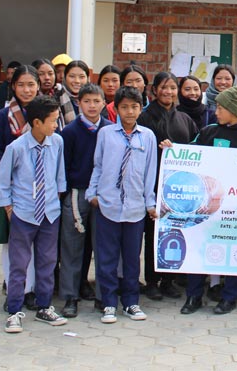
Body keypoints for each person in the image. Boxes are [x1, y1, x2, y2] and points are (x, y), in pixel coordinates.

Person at [182, 86, 237, 316]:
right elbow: (190, 154)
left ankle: (230, 297)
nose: (216, 111)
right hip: (206, 203)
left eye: (221, 107)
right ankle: (193, 295)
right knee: (198, 247)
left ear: (234, 110)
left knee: (233, 250)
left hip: (235, 207)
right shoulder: (209, 132)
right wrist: (172, 150)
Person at [0, 96, 68, 333]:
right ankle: (14, 310)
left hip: (49, 213)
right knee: (19, 264)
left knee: (47, 262)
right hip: (24, 214)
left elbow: (59, 174)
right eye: (53, 120)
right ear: (37, 122)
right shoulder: (16, 148)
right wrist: (8, 207)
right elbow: (1, 180)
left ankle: (44, 306)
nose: (56, 125)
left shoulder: (56, 142)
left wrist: (56, 197)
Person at [87, 86, 158, 324]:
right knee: (106, 257)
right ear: (116, 109)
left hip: (135, 208)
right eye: (125, 107)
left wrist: (150, 202)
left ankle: (131, 302)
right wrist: (92, 193)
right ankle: (108, 302)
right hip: (108, 204)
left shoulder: (147, 136)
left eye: (135, 107)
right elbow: (98, 165)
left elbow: (150, 172)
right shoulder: (106, 134)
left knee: (131, 257)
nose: (130, 111)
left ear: (141, 108)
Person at [0, 65, 40, 306]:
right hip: (12, 188)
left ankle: (31, 290)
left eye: (31, 85)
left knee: (36, 242)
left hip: (39, 188)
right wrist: (14, 174)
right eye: (21, 85)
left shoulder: (44, 114)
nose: (26, 90)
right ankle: (14, 288)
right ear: (13, 87)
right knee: (12, 241)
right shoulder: (1, 117)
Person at [139, 72, 197, 301]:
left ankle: (169, 280)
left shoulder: (184, 118)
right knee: (153, 233)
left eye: (172, 87)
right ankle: (151, 280)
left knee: (175, 231)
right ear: (154, 90)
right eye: (164, 87)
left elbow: (195, 146)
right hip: (154, 183)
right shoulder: (145, 118)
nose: (168, 92)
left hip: (179, 187)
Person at [58, 83, 112, 318]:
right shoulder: (69, 132)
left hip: (103, 195)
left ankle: (103, 296)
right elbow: (63, 167)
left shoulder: (111, 130)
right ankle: (70, 297)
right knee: (72, 247)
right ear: (79, 103)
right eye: (87, 101)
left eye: (96, 101)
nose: (92, 106)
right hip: (77, 194)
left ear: (103, 103)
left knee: (104, 247)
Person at [33, 58, 76, 130]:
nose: (47, 78)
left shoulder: (60, 91)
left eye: (50, 74)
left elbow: (71, 120)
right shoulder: (31, 95)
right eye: (41, 74)